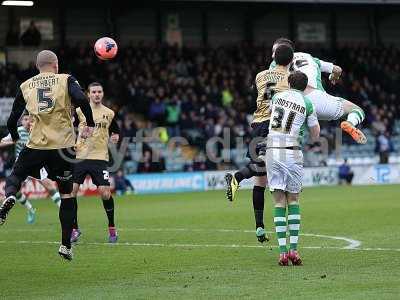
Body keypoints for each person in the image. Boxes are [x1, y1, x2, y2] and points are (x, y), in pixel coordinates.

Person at [0, 50, 95, 261]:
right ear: (56, 64)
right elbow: (81, 98)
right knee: (67, 195)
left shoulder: (26, 86)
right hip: (63, 148)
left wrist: (15, 135)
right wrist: (89, 122)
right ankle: (65, 245)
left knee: (15, 176)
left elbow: (12, 119)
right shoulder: (65, 79)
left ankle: (10, 196)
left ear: (37, 67)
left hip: (35, 145)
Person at [225, 44, 293, 243]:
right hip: (272, 125)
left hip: (256, 124)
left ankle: (259, 228)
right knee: (263, 164)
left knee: (261, 179)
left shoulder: (260, 75)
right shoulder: (290, 79)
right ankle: (236, 177)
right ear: (290, 61)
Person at [265, 71, 320, 266]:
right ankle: (294, 251)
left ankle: (282, 253)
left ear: (288, 82)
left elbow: (272, 114)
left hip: (272, 150)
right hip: (292, 150)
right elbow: (315, 134)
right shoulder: (307, 103)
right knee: (294, 199)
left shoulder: (277, 96)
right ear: (305, 87)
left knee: (279, 202)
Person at [270, 38, 366, 144]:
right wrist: (333, 77)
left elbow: (270, 88)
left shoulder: (275, 63)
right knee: (356, 110)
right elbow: (337, 69)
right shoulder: (309, 57)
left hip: (292, 104)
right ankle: (350, 123)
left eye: (274, 52)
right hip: (318, 100)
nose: (273, 55)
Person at [71, 82, 120, 244]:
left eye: (99, 91)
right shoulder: (79, 111)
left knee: (105, 193)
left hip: (99, 158)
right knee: (71, 193)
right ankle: (74, 229)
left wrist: (115, 137)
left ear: (103, 93)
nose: (97, 94)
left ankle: (112, 228)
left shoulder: (109, 113)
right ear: (88, 94)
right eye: (94, 92)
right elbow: (70, 127)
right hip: (80, 157)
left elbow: (116, 130)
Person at [0, 114, 62, 224]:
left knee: (49, 185)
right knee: (15, 190)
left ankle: (63, 210)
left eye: (30, 118)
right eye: (25, 119)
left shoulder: (38, 130)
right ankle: (30, 209)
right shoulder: (18, 131)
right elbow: (1, 142)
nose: (28, 121)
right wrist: (12, 141)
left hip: (37, 163)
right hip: (22, 165)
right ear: (21, 121)